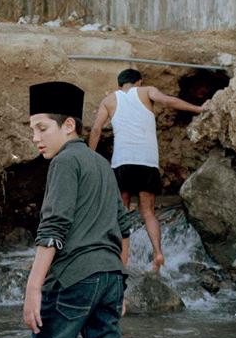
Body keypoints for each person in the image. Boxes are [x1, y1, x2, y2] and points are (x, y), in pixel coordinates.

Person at [21, 80, 126, 338]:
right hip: (110, 277)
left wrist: (33, 288)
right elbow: (124, 226)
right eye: (32, 130)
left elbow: (54, 227)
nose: (35, 138)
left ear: (68, 125)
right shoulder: (101, 164)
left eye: (42, 128)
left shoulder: (65, 161)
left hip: (74, 278)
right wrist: (121, 282)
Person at [87, 67, 205, 272]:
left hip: (122, 162)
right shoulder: (146, 90)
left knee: (121, 211)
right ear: (139, 81)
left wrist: (89, 156)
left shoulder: (109, 100)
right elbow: (168, 101)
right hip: (147, 161)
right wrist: (198, 109)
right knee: (148, 212)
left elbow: (96, 129)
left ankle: (122, 259)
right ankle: (158, 253)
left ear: (119, 85)